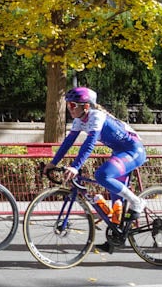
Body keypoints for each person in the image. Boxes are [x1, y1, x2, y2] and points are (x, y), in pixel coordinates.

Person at [49, 86, 147, 224]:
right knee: (116, 207)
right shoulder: (79, 120)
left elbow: (89, 144)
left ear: (86, 106)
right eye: (68, 105)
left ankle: (137, 202)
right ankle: (115, 240)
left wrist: (75, 167)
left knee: (102, 175)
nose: (69, 108)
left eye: (73, 105)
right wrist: (53, 163)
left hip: (133, 151)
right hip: (119, 153)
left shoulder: (97, 116)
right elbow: (68, 142)